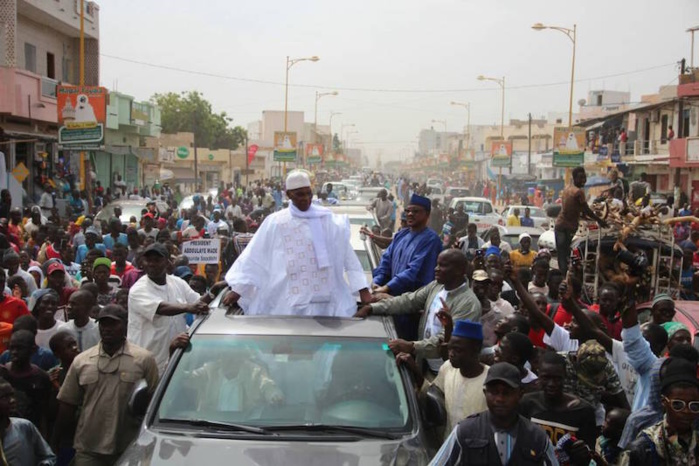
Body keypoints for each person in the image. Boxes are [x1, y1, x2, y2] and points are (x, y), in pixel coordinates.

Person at [223, 171, 371, 317]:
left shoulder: (329, 220)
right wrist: (238, 291)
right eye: (300, 194)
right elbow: (256, 257)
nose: (306, 198)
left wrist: (363, 291)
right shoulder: (275, 222)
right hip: (287, 305)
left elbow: (349, 258)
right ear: (289, 195)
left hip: (328, 305)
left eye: (309, 193)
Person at [55, 305, 159, 465]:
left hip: (129, 447)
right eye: (103, 324)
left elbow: (154, 402)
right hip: (89, 448)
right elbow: (67, 404)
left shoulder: (144, 359)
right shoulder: (82, 361)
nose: (107, 329)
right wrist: (57, 442)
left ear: (125, 325)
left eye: (113, 324)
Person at [355, 249, 481, 376]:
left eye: (443, 265)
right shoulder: (436, 287)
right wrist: (372, 308)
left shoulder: (468, 304)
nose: (436, 269)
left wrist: (412, 346)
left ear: (459, 270)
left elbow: (448, 339)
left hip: (446, 373)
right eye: (437, 264)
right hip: (425, 364)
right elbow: (408, 301)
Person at [430, 362, 558, 465]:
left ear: (520, 395)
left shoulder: (537, 437)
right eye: (494, 392)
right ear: (485, 393)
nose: (499, 399)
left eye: (507, 393)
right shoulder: (465, 431)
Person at [128, 243, 221, 374]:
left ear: (167, 263)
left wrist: (213, 291)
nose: (152, 264)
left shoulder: (177, 282)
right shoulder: (138, 289)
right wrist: (188, 307)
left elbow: (197, 302)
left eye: (157, 260)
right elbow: (161, 308)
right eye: (148, 260)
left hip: (176, 358)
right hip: (150, 361)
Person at [400, 320, 489, 436]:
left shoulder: (491, 379)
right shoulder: (447, 368)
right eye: (450, 348)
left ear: (475, 349)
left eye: (458, 350)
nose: (451, 354)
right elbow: (432, 396)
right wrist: (415, 369)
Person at [622, 358, 699, 465]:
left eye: (694, 406)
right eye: (677, 404)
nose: (686, 411)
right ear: (664, 401)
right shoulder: (644, 447)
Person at [519, 351, 597, 451]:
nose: (551, 384)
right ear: (539, 375)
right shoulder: (527, 403)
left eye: (557, 378)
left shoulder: (583, 411)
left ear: (564, 376)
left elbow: (588, 452)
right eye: (546, 378)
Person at [555, 167, 608, 277]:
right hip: (568, 226)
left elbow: (576, 207)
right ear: (574, 178)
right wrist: (600, 221)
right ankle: (565, 278)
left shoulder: (567, 188)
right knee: (565, 253)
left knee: (562, 253)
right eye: (581, 178)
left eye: (584, 177)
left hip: (560, 225)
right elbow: (586, 209)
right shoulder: (579, 192)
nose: (583, 180)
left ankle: (564, 276)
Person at [0, 330, 52, 437]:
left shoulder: (41, 377)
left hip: (30, 433)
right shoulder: (3, 374)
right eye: (12, 347)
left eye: (19, 348)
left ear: (33, 350)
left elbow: (44, 413)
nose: (14, 352)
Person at [0, 379, 56, 466]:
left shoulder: (24, 427)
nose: (12, 400)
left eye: (12, 395)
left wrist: (45, 464)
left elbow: (48, 457)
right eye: (4, 397)